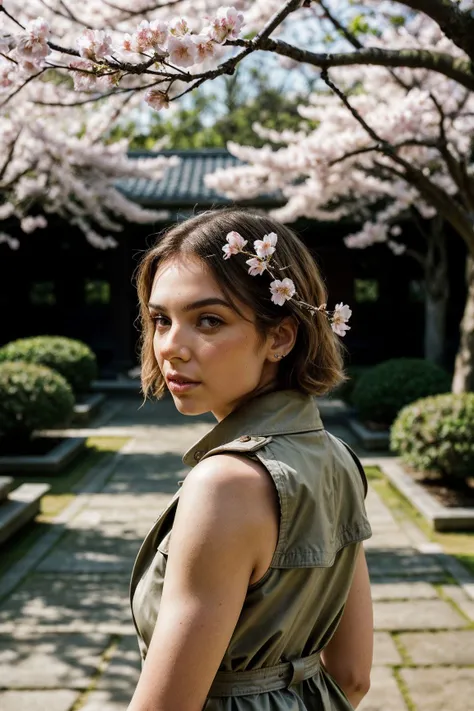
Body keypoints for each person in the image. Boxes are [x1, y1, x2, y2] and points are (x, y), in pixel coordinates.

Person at [128, 207, 373, 711]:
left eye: (209, 321)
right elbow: (352, 676)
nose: (171, 347)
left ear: (281, 336)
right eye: (160, 320)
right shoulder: (337, 458)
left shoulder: (225, 484)